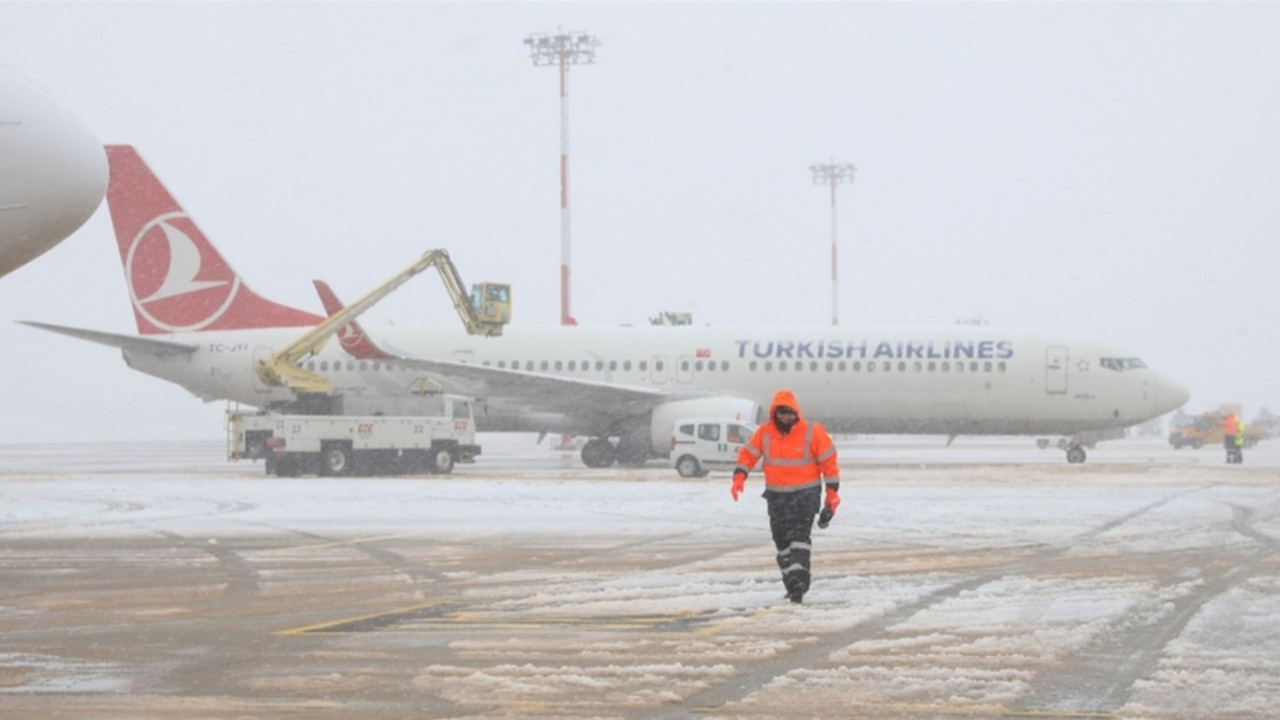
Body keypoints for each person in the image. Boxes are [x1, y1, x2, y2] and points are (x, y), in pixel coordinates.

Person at [731, 389, 840, 604]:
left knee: (799, 541)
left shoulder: (812, 432)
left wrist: (832, 492)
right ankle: (792, 581)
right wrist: (739, 476)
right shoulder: (765, 433)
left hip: (805, 497)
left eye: (790, 413)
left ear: (796, 413)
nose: (786, 418)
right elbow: (749, 454)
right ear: (775, 414)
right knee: (782, 544)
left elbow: (829, 463)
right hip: (777, 498)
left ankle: (798, 581)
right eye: (782, 413)